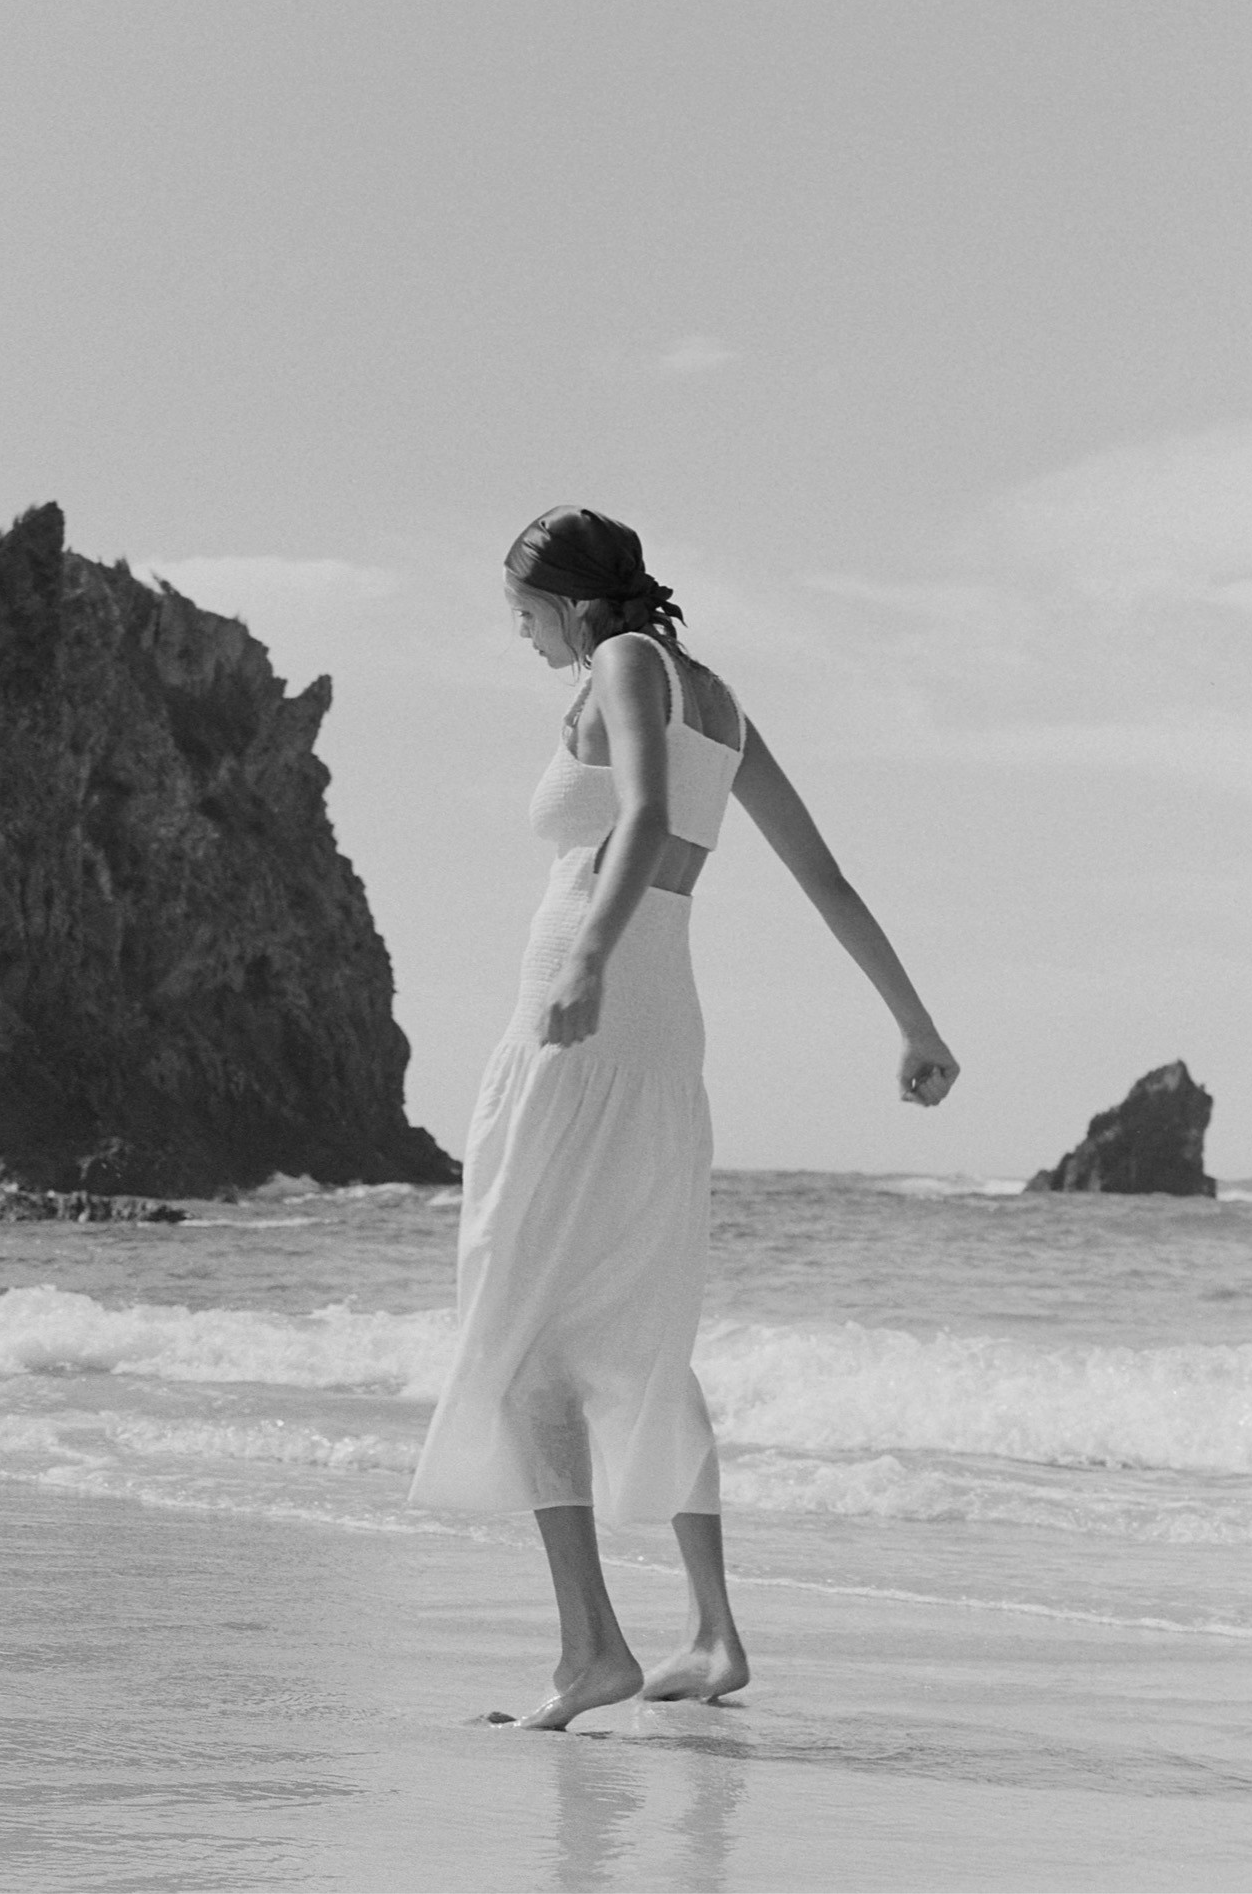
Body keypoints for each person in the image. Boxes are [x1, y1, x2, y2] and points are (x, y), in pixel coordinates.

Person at [405, 507, 959, 1731]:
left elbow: (642, 820)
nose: (520, 635)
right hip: (662, 1038)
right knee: (644, 1333)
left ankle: (589, 1652)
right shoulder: (719, 697)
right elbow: (825, 876)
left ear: (567, 601)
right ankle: (710, 1634)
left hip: (582, 1026)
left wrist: (585, 960)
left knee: (521, 1329)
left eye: (522, 612)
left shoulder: (622, 661)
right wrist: (914, 1024)